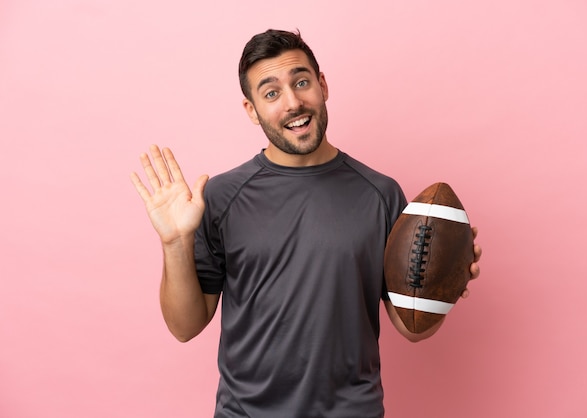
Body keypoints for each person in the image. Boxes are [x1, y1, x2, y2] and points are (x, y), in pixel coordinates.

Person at [131, 29, 482, 418]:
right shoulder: (220, 197)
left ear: (322, 85)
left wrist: (444, 284)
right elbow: (185, 327)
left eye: (301, 82)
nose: (293, 103)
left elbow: (411, 327)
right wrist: (175, 243)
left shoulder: (380, 194)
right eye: (271, 93)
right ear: (251, 110)